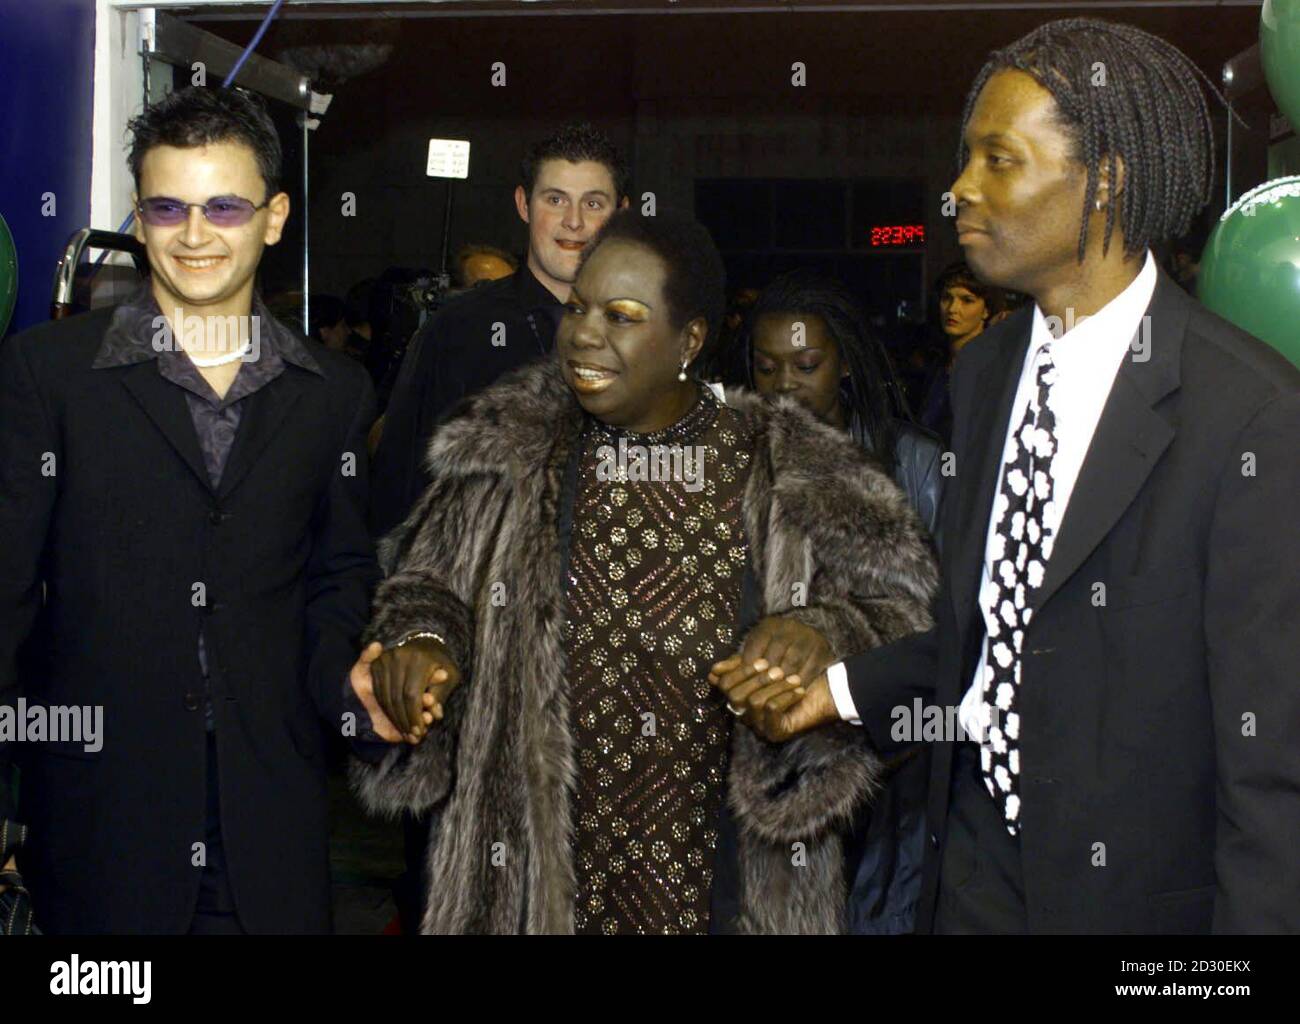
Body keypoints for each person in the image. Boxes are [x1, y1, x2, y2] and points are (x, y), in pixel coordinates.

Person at [712, 18, 1300, 933]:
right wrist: (835, 692)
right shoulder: (983, 375)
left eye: (998, 161)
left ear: (1103, 179)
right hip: (976, 881)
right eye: (964, 160)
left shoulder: (1249, 415)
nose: (959, 191)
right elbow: (990, 637)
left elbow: (1271, 776)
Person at [345, 212, 938, 934]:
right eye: (576, 309)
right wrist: (426, 642)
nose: (584, 335)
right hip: (533, 882)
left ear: (689, 340)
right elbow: (424, 585)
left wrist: (827, 631)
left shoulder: (788, 461)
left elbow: (911, 617)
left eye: (621, 316)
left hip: (724, 884)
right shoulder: (508, 447)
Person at [0, 86, 379, 933]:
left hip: (268, 818)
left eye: (224, 207)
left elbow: (336, 577)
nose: (196, 235)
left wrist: (353, 686)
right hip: (102, 818)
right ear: (139, 218)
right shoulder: (49, 375)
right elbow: (8, 595)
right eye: (168, 208)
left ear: (274, 218)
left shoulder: (333, 394)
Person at [746, 269, 942, 934]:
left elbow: (946, 627)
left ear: (846, 365)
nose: (784, 385)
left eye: (807, 363)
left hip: (893, 765)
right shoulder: (741, 461)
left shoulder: (911, 463)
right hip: (774, 766)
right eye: (766, 366)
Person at [369, 122, 631, 539]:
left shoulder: (651, 336)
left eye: (594, 204)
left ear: (621, 213)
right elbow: (399, 492)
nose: (574, 222)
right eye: (556, 199)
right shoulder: (457, 331)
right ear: (524, 204)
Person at [918, 261, 1006, 443]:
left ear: (986, 310)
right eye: (946, 298)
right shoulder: (936, 367)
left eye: (967, 300)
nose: (952, 309)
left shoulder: (994, 369)